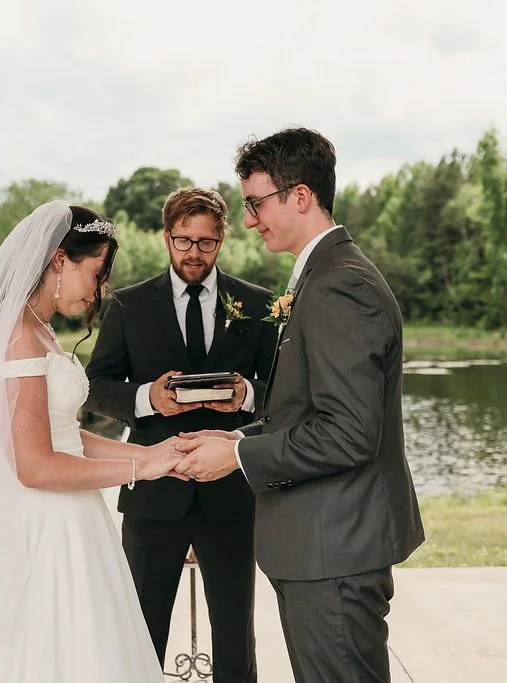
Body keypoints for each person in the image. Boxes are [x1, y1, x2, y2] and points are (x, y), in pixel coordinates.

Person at [174, 128, 425, 682]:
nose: (248, 220)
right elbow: (309, 410)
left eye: (256, 203)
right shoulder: (324, 275)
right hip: (322, 545)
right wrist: (238, 438)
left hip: (332, 550)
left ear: (301, 196)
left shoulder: (341, 285)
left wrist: (240, 461)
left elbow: (348, 433)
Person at [0, 201, 183, 682]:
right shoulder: (16, 336)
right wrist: (143, 470)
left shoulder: (40, 331)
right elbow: (34, 465)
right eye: (95, 272)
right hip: (38, 528)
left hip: (70, 518)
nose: (99, 290)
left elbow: (65, 436)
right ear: (60, 259)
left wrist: (154, 453)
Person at [85, 187, 276, 682]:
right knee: (142, 633)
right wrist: (149, 397)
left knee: (236, 638)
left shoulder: (256, 304)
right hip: (153, 496)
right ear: (166, 237)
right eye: (183, 240)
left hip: (232, 495)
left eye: (206, 242)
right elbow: (96, 387)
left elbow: (283, 392)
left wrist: (246, 396)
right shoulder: (128, 305)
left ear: (222, 240)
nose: (194, 253)